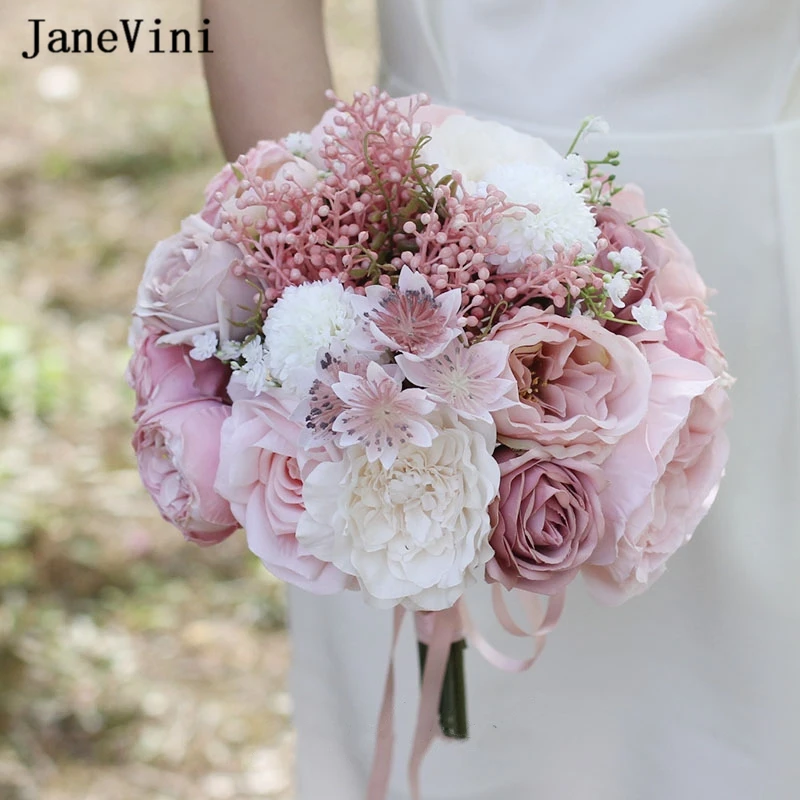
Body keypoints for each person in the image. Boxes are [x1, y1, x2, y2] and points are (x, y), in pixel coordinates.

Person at [202, 1, 800, 798]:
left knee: (744, 707)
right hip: (420, 260)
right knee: (470, 747)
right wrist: (326, 262)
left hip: (760, 263)